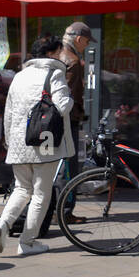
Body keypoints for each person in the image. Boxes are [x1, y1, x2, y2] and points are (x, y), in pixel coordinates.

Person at [0, 34, 74, 257]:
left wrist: (9, 141)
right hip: (44, 143)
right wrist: (70, 93)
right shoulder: (55, 73)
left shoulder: (20, 75)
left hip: (19, 144)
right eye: (58, 51)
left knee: (21, 188)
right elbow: (64, 106)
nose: (61, 55)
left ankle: (3, 224)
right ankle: (27, 242)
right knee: (40, 194)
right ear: (50, 54)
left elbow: (8, 113)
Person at [56, 21, 92, 224]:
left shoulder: (54, 55)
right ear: (79, 39)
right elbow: (70, 95)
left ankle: (55, 209)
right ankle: (65, 211)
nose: (86, 46)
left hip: (51, 121)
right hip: (67, 120)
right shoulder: (73, 61)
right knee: (68, 166)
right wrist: (78, 113)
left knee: (55, 165)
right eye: (86, 42)